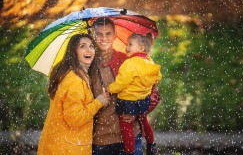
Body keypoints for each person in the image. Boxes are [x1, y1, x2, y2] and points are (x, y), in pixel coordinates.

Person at [37, 34, 110, 155]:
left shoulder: (75, 75)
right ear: (74, 52)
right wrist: (99, 102)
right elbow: (75, 119)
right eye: (82, 46)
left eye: (91, 46)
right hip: (67, 148)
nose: (88, 50)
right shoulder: (75, 81)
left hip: (60, 144)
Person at [89, 18, 143, 155]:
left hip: (129, 135)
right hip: (99, 140)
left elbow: (151, 93)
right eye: (99, 34)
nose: (104, 38)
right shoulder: (87, 64)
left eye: (108, 34)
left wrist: (136, 111)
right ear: (92, 35)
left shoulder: (128, 61)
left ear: (114, 35)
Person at [108, 33, 162, 155]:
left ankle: (130, 151)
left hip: (128, 101)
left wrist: (110, 89)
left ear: (141, 48)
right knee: (144, 121)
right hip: (144, 100)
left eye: (130, 44)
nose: (127, 47)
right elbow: (158, 77)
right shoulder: (149, 61)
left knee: (126, 126)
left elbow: (121, 82)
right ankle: (151, 144)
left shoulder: (129, 63)